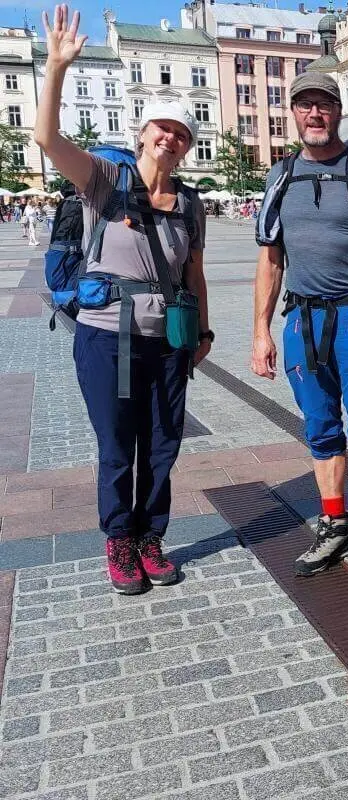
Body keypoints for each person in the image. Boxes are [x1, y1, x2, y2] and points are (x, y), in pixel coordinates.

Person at [36, 5, 210, 594]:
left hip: (167, 344)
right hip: (107, 337)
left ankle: (151, 536)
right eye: (163, 128)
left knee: (162, 447)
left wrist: (203, 335)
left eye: (182, 133)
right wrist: (57, 67)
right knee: (117, 447)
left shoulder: (190, 204)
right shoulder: (104, 184)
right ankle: (119, 539)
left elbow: (195, 274)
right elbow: (46, 138)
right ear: (142, 133)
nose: (171, 138)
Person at [251, 71, 348, 581]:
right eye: (305, 105)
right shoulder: (280, 176)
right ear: (292, 113)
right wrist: (261, 330)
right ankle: (334, 523)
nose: (314, 114)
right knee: (320, 429)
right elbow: (271, 260)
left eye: (324, 105)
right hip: (301, 318)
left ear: (337, 111)